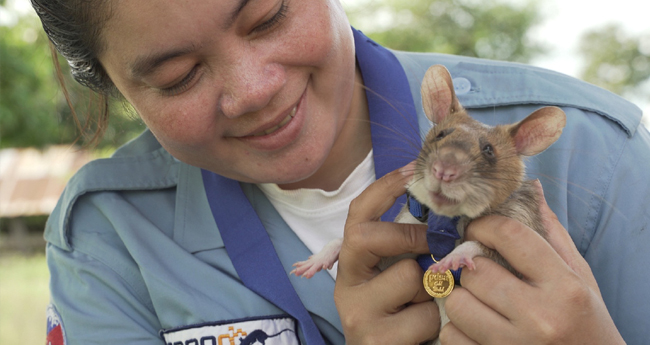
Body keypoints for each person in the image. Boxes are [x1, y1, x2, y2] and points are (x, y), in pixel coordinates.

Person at [32, 0, 648, 344]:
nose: (254, 91)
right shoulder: (106, 233)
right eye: (177, 78)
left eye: (270, 15)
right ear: (112, 87)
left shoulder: (595, 152)